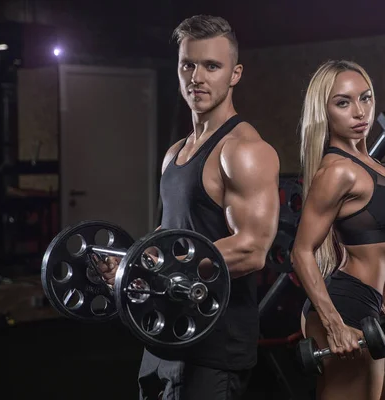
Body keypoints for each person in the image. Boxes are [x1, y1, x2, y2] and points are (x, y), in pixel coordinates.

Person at [96, 15, 280, 400]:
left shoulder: (244, 151)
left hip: (214, 346)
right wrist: (131, 260)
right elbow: (171, 234)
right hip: (162, 335)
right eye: (188, 64)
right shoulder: (175, 154)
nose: (197, 76)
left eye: (212, 66)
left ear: (235, 74)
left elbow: (252, 248)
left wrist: (157, 265)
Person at [291, 60, 385, 400]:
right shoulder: (336, 171)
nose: (359, 111)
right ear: (325, 111)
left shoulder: (369, 163)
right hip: (344, 307)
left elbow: (376, 254)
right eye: (343, 102)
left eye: (365, 98)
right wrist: (333, 323)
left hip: (370, 304)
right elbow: (301, 251)